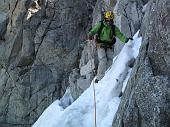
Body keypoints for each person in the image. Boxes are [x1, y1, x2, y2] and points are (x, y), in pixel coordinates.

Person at [88, 11, 133, 83]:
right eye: (108, 20)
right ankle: (99, 78)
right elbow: (94, 30)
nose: (109, 22)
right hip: (100, 44)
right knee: (103, 59)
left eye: (111, 21)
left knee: (110, 60)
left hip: (109, 45)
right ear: (105, 19)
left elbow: (119, 35)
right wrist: (90, 34)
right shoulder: (100, 24)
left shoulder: (113, 28)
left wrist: (126, 40)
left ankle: (107, 75)